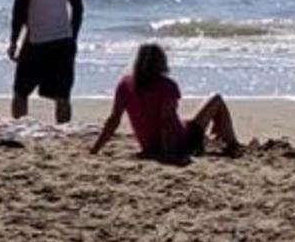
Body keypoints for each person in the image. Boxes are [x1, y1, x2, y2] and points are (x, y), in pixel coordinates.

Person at [90, 43, 241, 162]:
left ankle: (221, 138)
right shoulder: (167, 86)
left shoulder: (125, 84)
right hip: (180, 142)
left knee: (189, 121)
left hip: (149, 144)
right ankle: (232, 143)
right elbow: (166, 122)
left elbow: (114, 119)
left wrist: (96, 149)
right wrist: (167, 154)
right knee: (216, 99)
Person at [8, 0, 84, 124]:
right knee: (62, 96)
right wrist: (73, 36)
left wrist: (13, 40)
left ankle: (19, 127)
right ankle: (64, 132)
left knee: (20, 91)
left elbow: (20, 7)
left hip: (37, 40)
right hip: (63, 39)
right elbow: (78, 7)